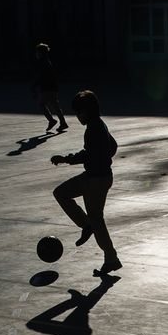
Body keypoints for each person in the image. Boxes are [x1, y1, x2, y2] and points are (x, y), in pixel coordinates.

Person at [51, 90, 121, 275]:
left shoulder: (93, 129)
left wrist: (66, 159)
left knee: (96, 219)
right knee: (61, 193)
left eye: (78, 112)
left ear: (86, 111)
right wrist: (103, 158)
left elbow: (88, 154)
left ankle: (108, 253)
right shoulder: (99, 125)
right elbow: (113, 146)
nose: (77, 116)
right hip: (99, 176)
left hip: (96, 180)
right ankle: (90, 230)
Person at [31, 43, 68, 132]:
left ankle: (52, 120)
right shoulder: (47, 61)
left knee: (42, 104)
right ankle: (62, 123)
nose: (36, 54)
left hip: (46, 87)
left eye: (37, 52)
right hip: (52, 86)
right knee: (55, 105)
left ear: (40, 52)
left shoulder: (42, 63)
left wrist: (34, 86)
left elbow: (40, 76)